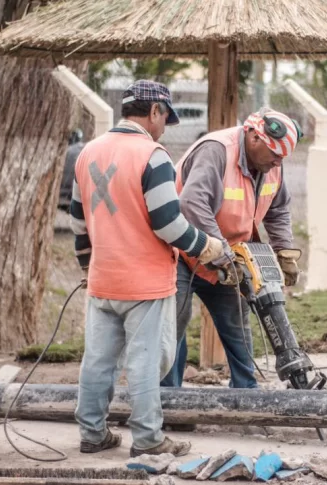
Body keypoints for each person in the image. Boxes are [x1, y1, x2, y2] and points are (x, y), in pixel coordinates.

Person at [70, 80, 224, 457]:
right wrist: (207, 246)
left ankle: (92, 434)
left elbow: (78, 221)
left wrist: (90, 267)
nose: (163, 126)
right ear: (154, 112)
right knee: (144, 363)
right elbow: (168, 224)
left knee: (97, 362)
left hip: (103, 280)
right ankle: (148, 439)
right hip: (145, 283)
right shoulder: (152, 156)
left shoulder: (88, 152)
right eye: (163, 118)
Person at [161, 108, 303, 391]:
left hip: (227, 258)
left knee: (237, 323)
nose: (278, 162)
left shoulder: (273, 164)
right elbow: (191, 204)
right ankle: (168, 398)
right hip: (181, 254)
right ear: (253, 137)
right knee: (174, 322)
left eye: (282, 157)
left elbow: (277, 209)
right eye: (274, 153)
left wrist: (284, 250)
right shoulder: (216, 152)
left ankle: (245, 393)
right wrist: (222, 253)